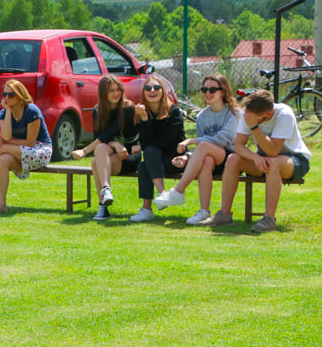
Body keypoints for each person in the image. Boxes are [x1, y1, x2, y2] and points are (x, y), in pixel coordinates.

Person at [200, 89, 311, 232]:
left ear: (268, 114)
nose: (247, 116)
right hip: (264, 159)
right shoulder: (249, 112)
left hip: (295, 160)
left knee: (273, 162)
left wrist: (254, 126)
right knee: (233, 159)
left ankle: (269, 219)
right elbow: (239, 146)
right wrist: (255, 157)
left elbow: (273, 151)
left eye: (254, 117)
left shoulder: (284, 114)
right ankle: (224, 215)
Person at [153, 74, 240, 225]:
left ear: (224, 92)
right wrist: (187, 157)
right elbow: (202, 149)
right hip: (211, 159)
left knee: (205, 146)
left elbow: (222, 139)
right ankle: (204, 211)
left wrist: (191, 140)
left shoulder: (234, 113)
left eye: (213, 89)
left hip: (231, 159)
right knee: (206, 160)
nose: (207, 93)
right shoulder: (202, 116)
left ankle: (178, 191)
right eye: (204, 89)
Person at [0, 79, 52, 216]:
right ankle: (1, 205)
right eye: (4, 94)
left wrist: (4, 143)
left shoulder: (32, 110)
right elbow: (7, 137)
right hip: (19, 151)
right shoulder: (4, 113)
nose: (6, 98)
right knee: (3, 160)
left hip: (41, 150)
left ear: (20, 96)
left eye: (11, 95)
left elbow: (30, 142)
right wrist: (7, 111)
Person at [71, 75, 139, 221]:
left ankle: (102, 207)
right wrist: (114, 144)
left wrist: (84, 151)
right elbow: (100, 136)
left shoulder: (127, 108)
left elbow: (111, 132)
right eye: (111, 91)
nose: (116, 93)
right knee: (99, 153)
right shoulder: (97, 110)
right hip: (109, 154)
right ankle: (106, 190)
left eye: (118, 89)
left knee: (96, 162)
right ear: (103, 93)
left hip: (130, 154)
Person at [129, 76, 185, 222]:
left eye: (156, 87)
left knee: (149, 154)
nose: (152, 91)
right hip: (154, 161)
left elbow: (166, 141)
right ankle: (147, 209)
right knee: (142, 165)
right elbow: (146, 144)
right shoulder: (141, 113)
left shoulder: (174, 112)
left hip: (175, 160)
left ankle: (161, 194)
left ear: (163, 91)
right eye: (148, 88)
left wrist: (146, 146)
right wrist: (145, 119)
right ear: (144, 93)